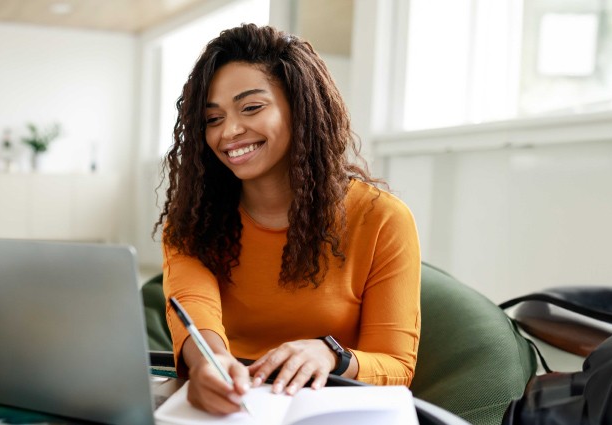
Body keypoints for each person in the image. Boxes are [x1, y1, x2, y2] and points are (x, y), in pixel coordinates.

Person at [155, 23, 421, 416]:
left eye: (251, 107)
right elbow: (196, 306)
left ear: (301, 107)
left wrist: (332, 355)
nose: (229, 131)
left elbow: (397, 365)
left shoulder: (381, 218)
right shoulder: (193, 218)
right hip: (229, 408)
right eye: (212, 119)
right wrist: (208, 364)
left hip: (331, 408)